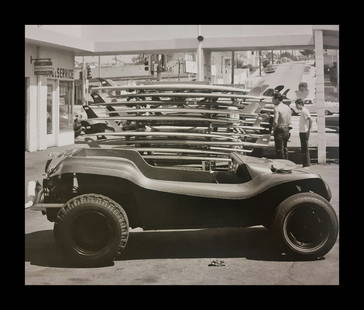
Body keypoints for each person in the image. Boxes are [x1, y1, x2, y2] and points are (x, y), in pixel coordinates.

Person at [272, 92, 292, 159]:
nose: (272, 101)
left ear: (277, 99)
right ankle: (286, 164)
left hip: (279, 129)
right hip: (286, 129)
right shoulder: (287, 107)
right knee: (285, 148)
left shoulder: (277, 108)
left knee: (279, 150)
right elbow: (289, 120)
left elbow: (275, 121)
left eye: (273, 99)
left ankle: (281, 166)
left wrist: (274, 129)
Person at [295, 99, 312, 167]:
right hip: (302, 131)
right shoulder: (303, 111)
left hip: (304, 132)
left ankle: (306, 164)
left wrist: (308, 130)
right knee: (304, 148)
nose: (296, 106)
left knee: (305, 148)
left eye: (296, 105)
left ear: (300, 104)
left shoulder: (304, 111)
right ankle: (305, 163)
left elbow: (310, 119)